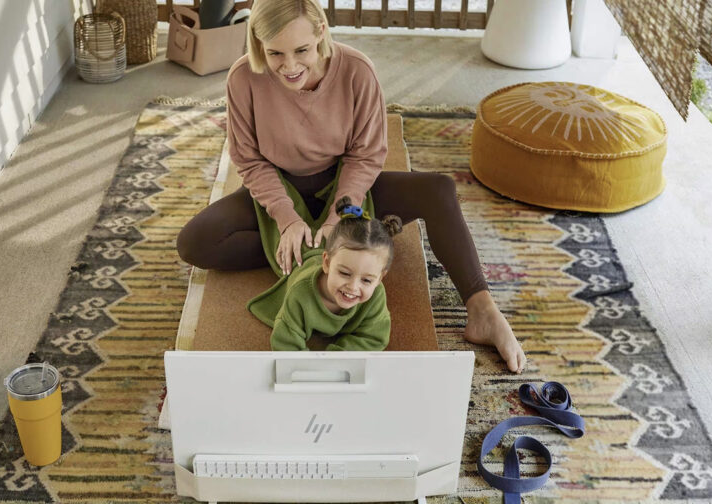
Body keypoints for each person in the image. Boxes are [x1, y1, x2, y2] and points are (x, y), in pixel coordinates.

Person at [176, 0, 527, 372]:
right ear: (258, 42)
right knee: (194, 242)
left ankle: (483, 310)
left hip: (345, 182)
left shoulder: (357, 71)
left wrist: (338, 215)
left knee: (438, 189)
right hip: (280, 184)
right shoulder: (244, 77)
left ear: (321, 33)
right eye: (274, 52)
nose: (289, 66)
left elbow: (367, 154)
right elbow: (248, 159)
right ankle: (309, 252)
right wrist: (287, 219)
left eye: (301, 51)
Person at [249, 197, 401, 351]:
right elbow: (286, 343)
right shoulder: (300, 294)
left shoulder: (376, 293)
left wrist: (335, 358)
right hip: (303, 255)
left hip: (334, 248)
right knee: (272, 226)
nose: (353, 287)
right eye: (344, 273)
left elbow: (374, 338)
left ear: (380, 278)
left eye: (367, 280)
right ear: (327, 263)